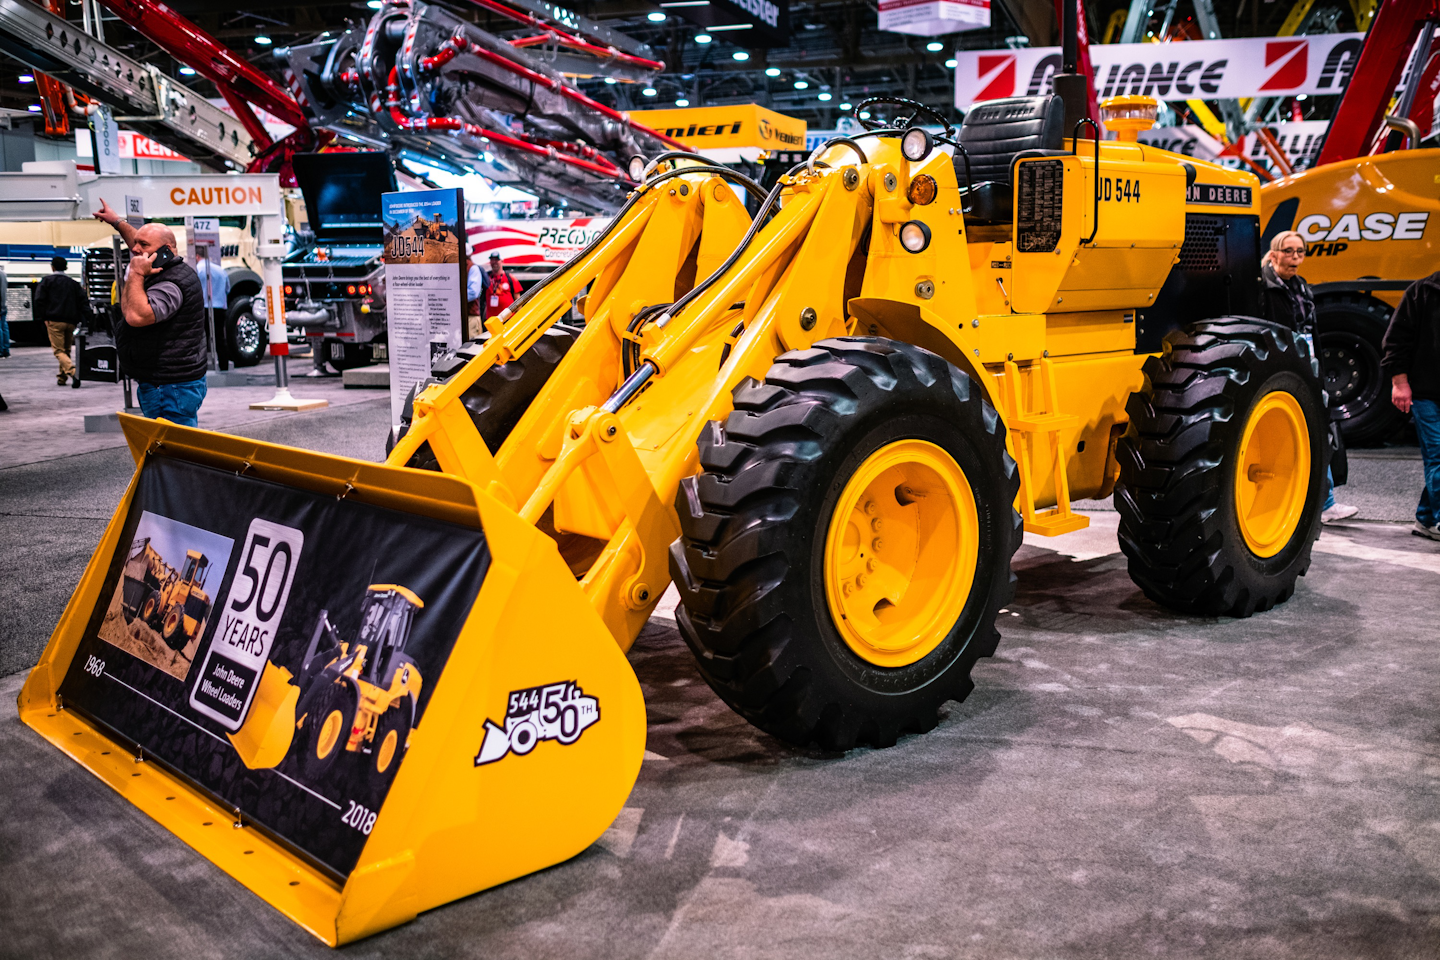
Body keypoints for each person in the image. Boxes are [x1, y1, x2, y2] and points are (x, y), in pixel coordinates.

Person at [1261, 230, 1357, 523]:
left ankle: (1324, 503)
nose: (1295, 258)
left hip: (1307, 365)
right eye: (1289, 252)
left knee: (1317, 428)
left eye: (1300, 252)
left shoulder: (1300, 286)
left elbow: (1310, 328)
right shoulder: (1262, 289)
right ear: (1274, 254)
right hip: (1278, 369)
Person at [93, 198, 209, 427]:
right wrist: (117, 222)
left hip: (169, 386)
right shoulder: (167, 267)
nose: (135, 250)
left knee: (173, 450)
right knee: (173, 449)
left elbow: (137, 317)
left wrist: (135, 274)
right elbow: (139, 242)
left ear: (166, 251)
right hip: (172, 382)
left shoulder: (171, 284)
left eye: (143, 246)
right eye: (136, 243)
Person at [1381, 270, 1440, 541]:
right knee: (1438, 457)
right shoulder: (1421, 292)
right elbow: (1396, 341)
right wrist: (1399, 382)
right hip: (1426, 392)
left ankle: (1426, 519)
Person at [32, 256, 90, 387]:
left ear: (52, 267)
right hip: (70, 321)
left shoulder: (47, 281)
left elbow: (39, 300)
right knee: (66, 350)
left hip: (54, 320)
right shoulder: (73, 283)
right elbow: (82, 302)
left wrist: (44, 317)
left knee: (58, 351)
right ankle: (62, 378)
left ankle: (74, 372)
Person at [194, 247, 231, 371]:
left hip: (203, 308)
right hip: (220, 308)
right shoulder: (221, 270)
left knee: (202, 339)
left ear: (197, 256)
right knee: (220, 338)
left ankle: (202, 368)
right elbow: (228, 289)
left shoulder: (197, 270)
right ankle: (224, 366)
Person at [483, 253, 522, 320]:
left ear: (502, 261)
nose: (494, 262)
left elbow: (518, 300)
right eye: (492, 260)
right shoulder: (486, 278)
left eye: (496, 260)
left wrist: (519, 318)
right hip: (492, 320)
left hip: (509, 319)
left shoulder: (510, 278)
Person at [465, 253, 485, 339]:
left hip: (471, 316)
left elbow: (473, 293)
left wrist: (455, 299)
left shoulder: (472, 268)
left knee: (471, 346)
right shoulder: (460, 266)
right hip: (461, 316)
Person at [0, 261, 11, 359]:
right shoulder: (3, 273)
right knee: (4, 327)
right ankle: (6, 351)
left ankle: (0, 351)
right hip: (3, 304)